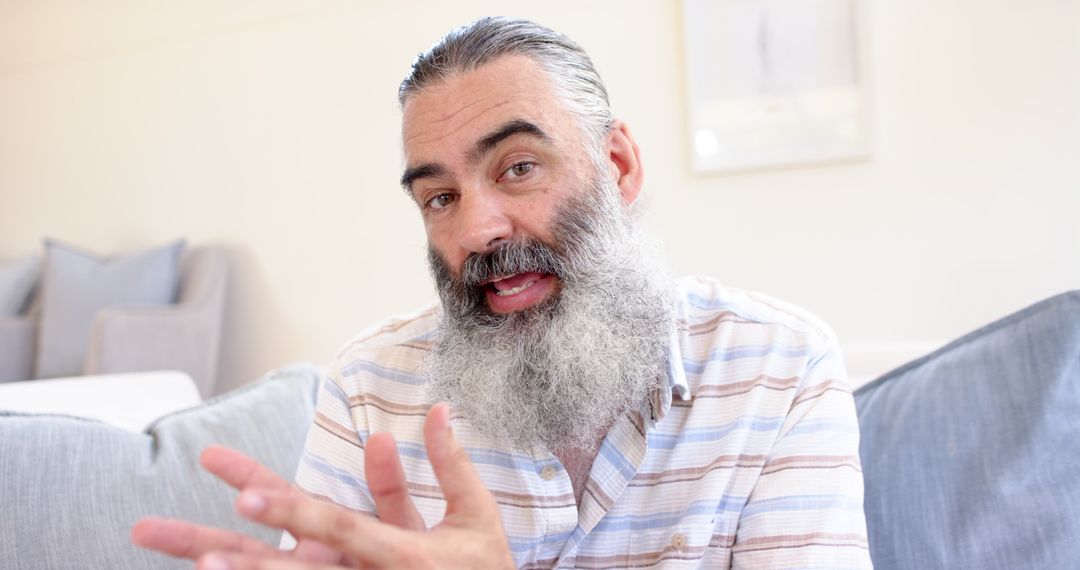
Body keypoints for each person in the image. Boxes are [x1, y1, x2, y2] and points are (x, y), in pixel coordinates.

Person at [132, 16, 873, 569]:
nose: (479, 229)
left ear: (617, 165)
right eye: (440, 198)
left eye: (518, 167)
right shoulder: (369, 386)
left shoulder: (781, 367)